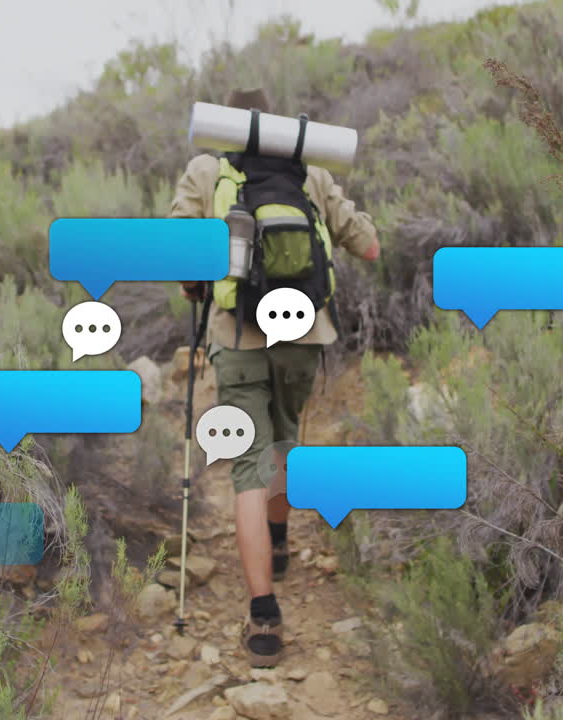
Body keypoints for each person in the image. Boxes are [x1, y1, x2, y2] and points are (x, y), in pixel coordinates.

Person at [168, 87, 380, 667]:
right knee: (286, 442)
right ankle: (280, 543)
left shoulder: (206, 169)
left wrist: (198, 285)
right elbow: (369, 246)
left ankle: (263, 615)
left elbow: (181, 253)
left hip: (236, 334)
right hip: (304, 335)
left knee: (247, 467)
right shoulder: (309, 171)